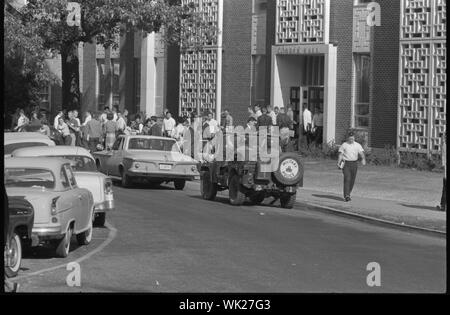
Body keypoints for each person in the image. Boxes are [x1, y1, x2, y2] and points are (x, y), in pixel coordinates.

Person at [337, 132, 366, 202]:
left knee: (352, 180)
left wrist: (363, 159)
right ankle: (346, 195)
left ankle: (348, 193)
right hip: (346, 163)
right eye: (350, 138)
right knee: (347, 178)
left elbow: (361, 153)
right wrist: (338, 162)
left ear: (354, 138)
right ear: (348, 138)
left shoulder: (357, 145)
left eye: (352, 138)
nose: (351, 139)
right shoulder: (344, 145)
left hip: (354, 163)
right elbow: (340, 154)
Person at [437, 132, 447, 211]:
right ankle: (443, 205)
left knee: (445, 187)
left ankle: (443, 205)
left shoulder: (444, 143)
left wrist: (443, 164)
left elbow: (443, 154)